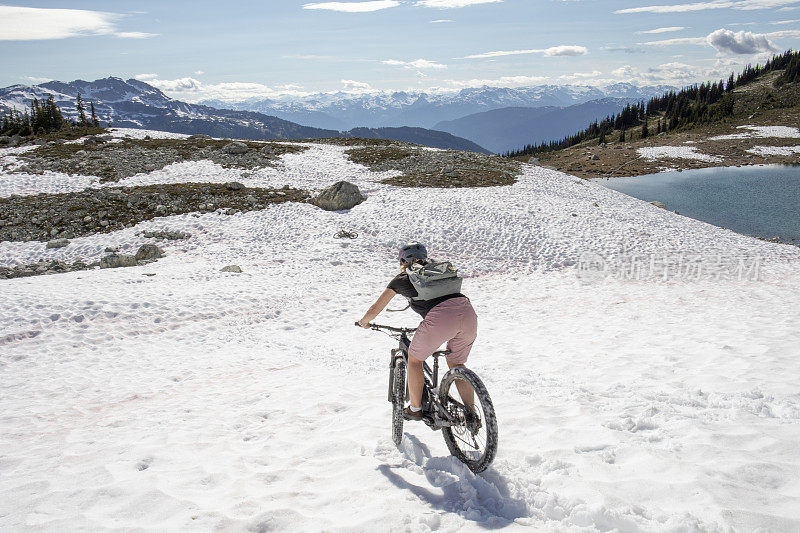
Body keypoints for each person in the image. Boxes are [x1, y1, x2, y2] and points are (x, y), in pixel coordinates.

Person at [357, 242, 478, 421]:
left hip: (441, 319)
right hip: (468, 313)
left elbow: (376, 308)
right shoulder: (437, 271)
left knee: (414, 360)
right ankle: (471, 414)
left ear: (402, 260)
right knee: (457, 362)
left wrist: (364, 322)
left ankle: (415, 409)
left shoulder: (403, 278)